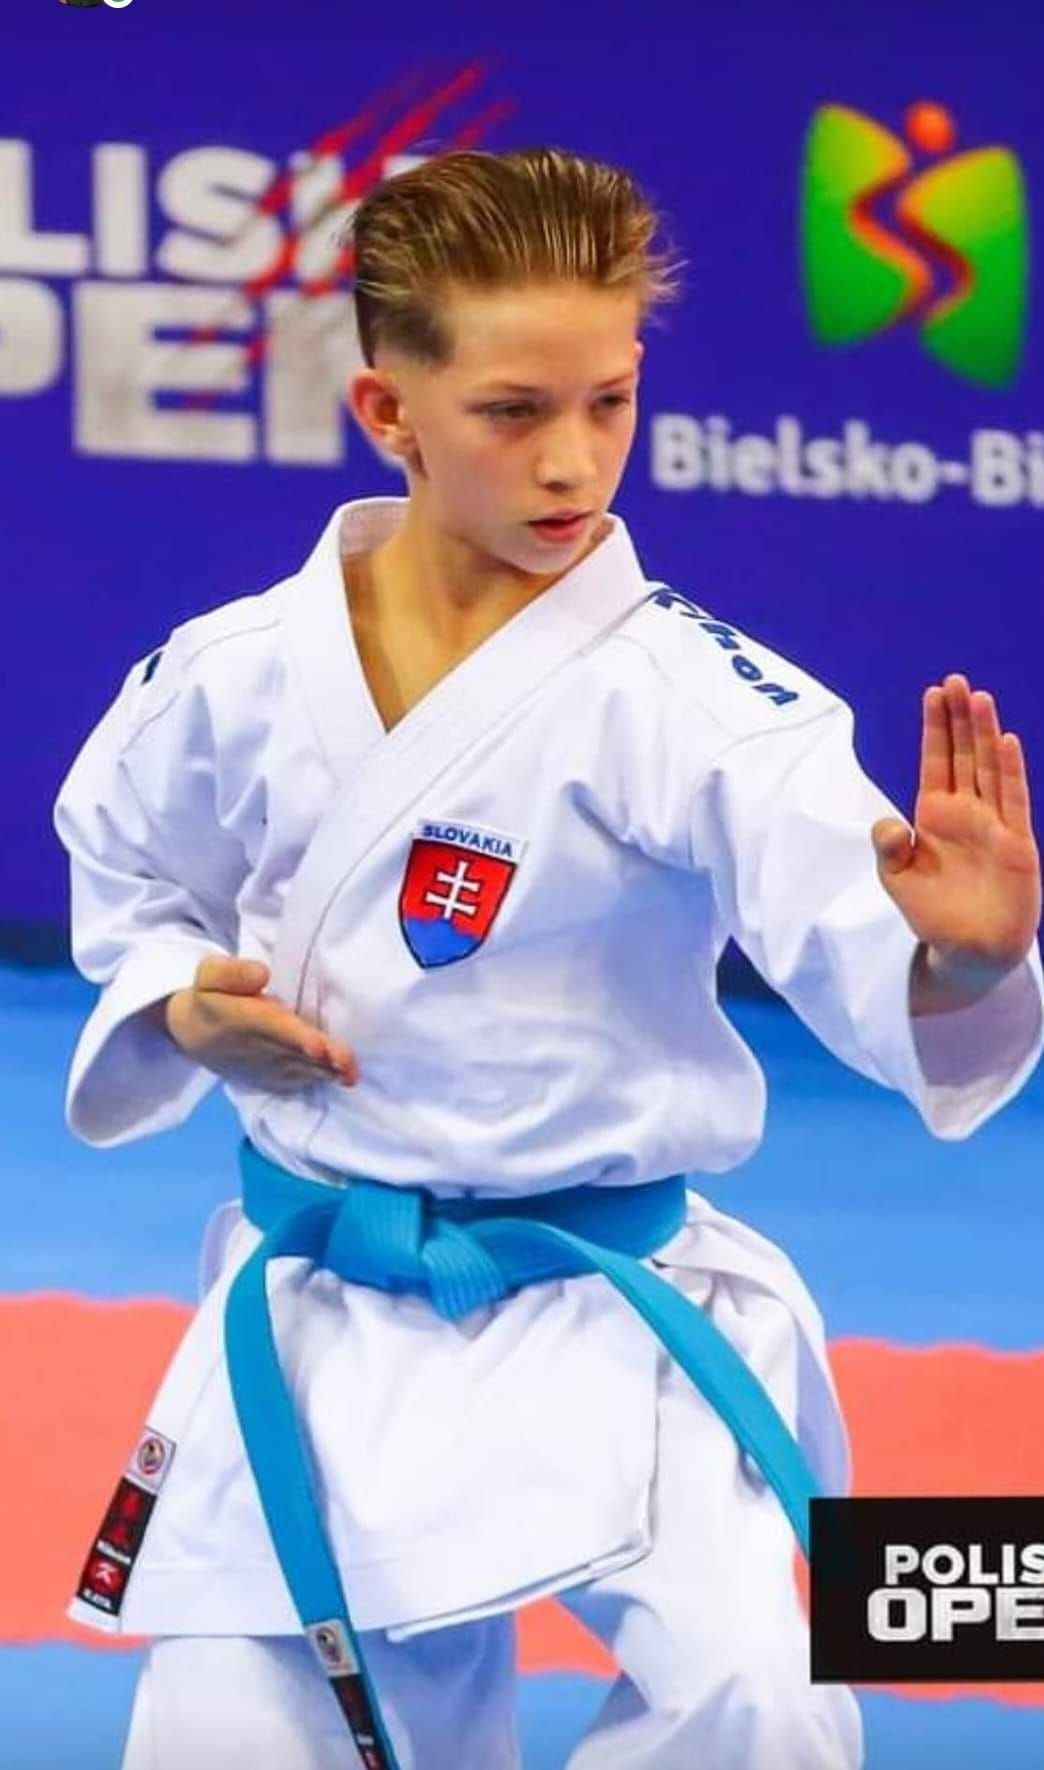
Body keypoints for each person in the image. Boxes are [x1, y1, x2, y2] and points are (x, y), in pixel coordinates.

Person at [54, 146, 1042, 1770]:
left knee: (766, 1700)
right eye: (516, 411)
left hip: (613, 1308)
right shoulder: (228, 674)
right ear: (390, 413)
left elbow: (860, 920)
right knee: (221, 1739)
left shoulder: (694, 697)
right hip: (321, 1308)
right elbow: (131, 868)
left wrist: (961, 958)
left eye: (612, 401)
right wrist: (180, 1004)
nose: (576, 462)